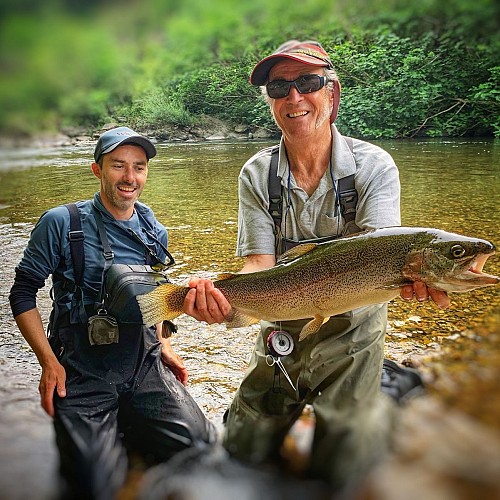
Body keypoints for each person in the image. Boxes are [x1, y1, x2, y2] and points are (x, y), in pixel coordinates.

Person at [183, 40, 450, 491]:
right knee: (240, 454)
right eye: (279, 86)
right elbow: (258, 266)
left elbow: (386, 253)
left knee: (343, 471)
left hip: (353, 333)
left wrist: (420, 278)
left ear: (333, 94)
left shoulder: (374, 166)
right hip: (282, 329)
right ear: (270, 101)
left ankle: (386, 388)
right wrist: (222, 302)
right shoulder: (256, 173)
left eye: (308, 82)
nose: (294, 97)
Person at [9, 127, 215, 500]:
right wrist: (48, 363)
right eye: (118, 166)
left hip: (143, 362)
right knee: (92, 485)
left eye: (138, 167)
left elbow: (154, 299)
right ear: (97, 170)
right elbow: (22, 294)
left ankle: (132, 421)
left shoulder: (154, 231)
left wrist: (164, 344)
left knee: (199, 446)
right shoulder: (62, 223)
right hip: (82, 369)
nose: (129, 177)